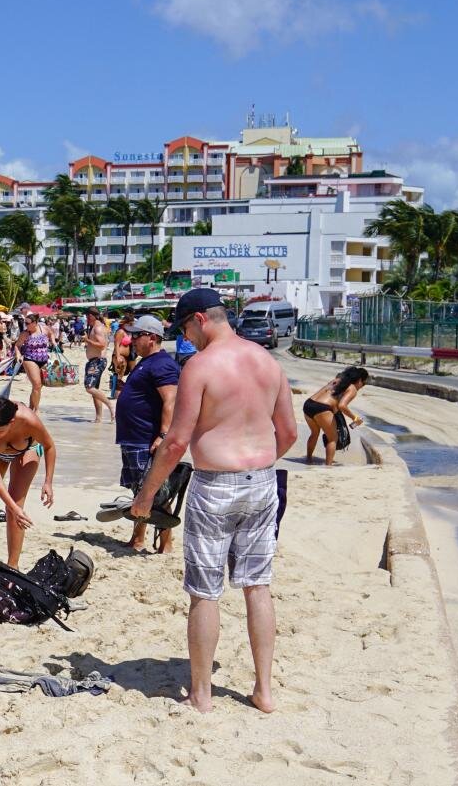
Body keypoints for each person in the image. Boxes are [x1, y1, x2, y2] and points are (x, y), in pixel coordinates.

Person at [131, 289, 297, 714]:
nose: (186, 337)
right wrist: (256, 464)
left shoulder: (200, 367)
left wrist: (147, 495)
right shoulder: (268, 362)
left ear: (201, 319)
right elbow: (290, 434)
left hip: (215, 486)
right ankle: (264, 691)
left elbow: (176, 442)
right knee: (258, 586)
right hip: (262, 482)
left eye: (185, 327)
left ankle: (202, 695)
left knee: (205, 593)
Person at [115, 315, 180, 552]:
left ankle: (166, 543)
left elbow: (171, 400)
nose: (131, 340)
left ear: (151, 337)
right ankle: (139, 538)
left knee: (156, 493)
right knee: (139, 490)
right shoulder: (146, 362)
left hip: (146, 438)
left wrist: (162, 435)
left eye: (136, 335)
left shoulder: (162, 363)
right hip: (134, 438)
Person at [0, 396, 56, 569]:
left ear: (12, 421)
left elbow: (49, 446)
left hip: (27, 451)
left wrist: (48, 482)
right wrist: (13, 507)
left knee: (15, 507)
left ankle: (13, 565)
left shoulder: (28, 420)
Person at [302, 366, 369, 466]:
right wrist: (354, 418)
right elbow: (342, 405)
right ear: (359, 380)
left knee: (314, 433)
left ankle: (308, 459)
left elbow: (330, 397)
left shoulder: (337, 380)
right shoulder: (352, 388)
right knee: (333, 438)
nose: (362, 386)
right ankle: (328, 466)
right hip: (322, 408)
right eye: (363, 384)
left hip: (308, 404)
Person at [12, 311, 55, 411]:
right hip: (30, 359)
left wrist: (53, 342)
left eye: (27, 323)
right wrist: (18, 355)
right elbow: (17, 345)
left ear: (35, 323)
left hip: (44, 360)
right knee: (37, 385)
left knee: (38, 387)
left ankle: (30, 408)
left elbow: (51, 333)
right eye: (24, 323)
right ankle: (37, 410)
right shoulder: (25, 334)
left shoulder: (44, 329)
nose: (25, 325)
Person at [82, 307, 115, 422]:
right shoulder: (95, 326)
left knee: (89, 387)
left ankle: (110, 405)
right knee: (95, 389)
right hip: (94, 361)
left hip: (97, 361)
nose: (86, 318)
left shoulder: (98, 328)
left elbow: (101, 344)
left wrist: (87, 340)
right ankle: (99, 418)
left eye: (87, 316)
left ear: (91, 316)